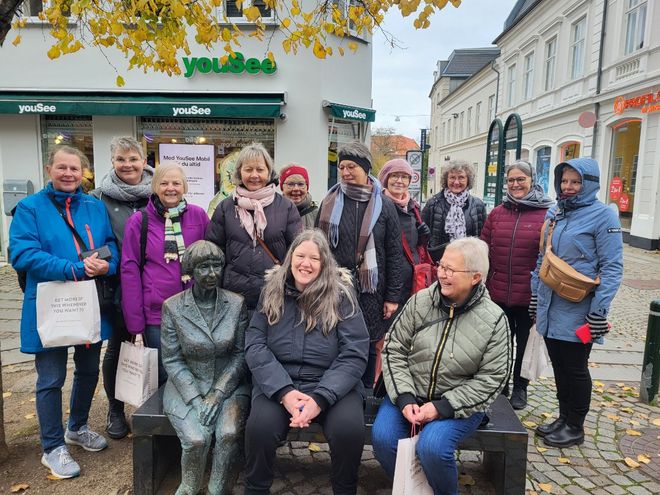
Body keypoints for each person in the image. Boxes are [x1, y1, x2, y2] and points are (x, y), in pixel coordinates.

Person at [9, 145, 119, 479]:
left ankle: (78, 426)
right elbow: (22, 253)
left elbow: (110, 245)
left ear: (84, 172)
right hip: (50, 305)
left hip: (88, 303)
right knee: (51, 378)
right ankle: (52, 446)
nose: (68, 174)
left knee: (88, 370)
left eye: (74, 168)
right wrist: (73, 269)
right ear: (49, 169)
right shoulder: (29, 208)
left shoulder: (94, 206)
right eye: (62, 167)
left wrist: (106, 264)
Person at [372, 237, 510, 495]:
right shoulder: (420, 302)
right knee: (383, 439)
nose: (442, 274)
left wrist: (442, 407)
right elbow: (394, 349)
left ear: (475, 277)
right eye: (441, 266)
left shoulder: (494, 320)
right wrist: (404, 397)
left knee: (433, 447)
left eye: (451, 270)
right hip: (410, 392)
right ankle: (415, 489)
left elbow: (492, 379)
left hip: (458, 404)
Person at [244, 229, 369, 495]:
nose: (306, 264)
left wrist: (321, 398)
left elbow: (355, 352)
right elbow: (255, 345)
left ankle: (345, 489)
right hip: (280, 382)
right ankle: (256, 489)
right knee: (260, 428)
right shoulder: (271, 292)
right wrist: (284, 393)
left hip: (333, 385)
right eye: (300, 256)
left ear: (324, 264)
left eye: (314, 258)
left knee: (349, 430)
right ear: (290, 259)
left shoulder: (342, 297)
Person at [531, 158, 623, 448]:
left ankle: (575, 425)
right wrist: (535, 296)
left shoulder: (603, 216)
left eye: (576, 182)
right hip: (550, 304)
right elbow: (542, 258)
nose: (568, 187)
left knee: (575, 368)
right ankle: (563, 417)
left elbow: (612, 267)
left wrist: (599, 311)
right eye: (564, 181)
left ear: (590, 184)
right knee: (558, 365)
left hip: (580, 307)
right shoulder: (555, 212)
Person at [161, 240, 250, 495]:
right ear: (190, 270)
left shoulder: (235, 303)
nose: (211, 274)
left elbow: (240, 354)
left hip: (228, 385)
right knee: (196, 439)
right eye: (203, 267)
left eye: (216, 266)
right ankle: (188, 486)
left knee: (228, 433)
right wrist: (196, 399)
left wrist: (218, 393)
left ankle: (218, 489)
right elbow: (172, 359)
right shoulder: (174, 307)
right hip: (186, 386)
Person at [316, 141, 403, 388]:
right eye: (341, 166)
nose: (345, 172)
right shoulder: (329, 201)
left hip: (371, 290)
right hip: (336, 285)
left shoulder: (384, 205)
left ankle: (365, 390)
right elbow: (318, 247)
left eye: (351, 166)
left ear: (365, 168)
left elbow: (395, 252)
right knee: (336, 338)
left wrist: (392, 296)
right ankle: (340, 388)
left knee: (369, 340)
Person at [121, 163, 209, 386]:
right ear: (154, 187)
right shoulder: (139, 221)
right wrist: (135, 323)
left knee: (194, 371)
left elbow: (210, 258)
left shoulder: (198, 216)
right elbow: (129, 270)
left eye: (176, 183)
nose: (171, 188)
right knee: (163, 373)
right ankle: (163, 420)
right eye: (164, 183)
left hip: (195, 311)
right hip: (157, 314)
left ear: (184, 187)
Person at [90, 136, 153, 439]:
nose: (127, 165)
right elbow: (95, 241)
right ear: (112, 162)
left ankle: (153, 406)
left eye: (133, 159)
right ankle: (115, 411)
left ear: (144, 160)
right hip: (116, 284)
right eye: (120, 159)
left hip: (155, 284)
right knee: (117, 347)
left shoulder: (159, 191)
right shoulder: (98, 197)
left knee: (156, 346)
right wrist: (108, 262)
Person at [480, 160, 553, 410]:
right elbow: (484, 248)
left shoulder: (546, 214)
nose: (515, 184)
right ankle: (500, 386)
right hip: (497, 292)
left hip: (528, 295)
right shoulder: (498, 213)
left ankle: (520, 387)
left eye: (521, 179)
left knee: (524, 344)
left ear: (532, 180)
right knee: (498, 345)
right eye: (511, 180)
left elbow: (550, 255)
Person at [205, 142, 302, 313]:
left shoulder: (286, 208)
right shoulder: (225, 208)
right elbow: (214, 252)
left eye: (260, 169)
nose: (254, 175)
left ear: (269, 172)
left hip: (274, 295)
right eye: (248, 170)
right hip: (233, 298)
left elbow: (296, 251)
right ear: (239, 172)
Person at [378, 158, 431, 301]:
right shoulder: (377, 206)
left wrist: (423, 238)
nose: (399, 181)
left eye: (404, 177)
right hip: (388, 284)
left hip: (413, 280)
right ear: (386, 179)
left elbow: (414, 247)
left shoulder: (414, 208)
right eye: (394, 175)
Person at [422, 160, 487, 262]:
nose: (456, 182)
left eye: (461, 177)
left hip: (468, 262)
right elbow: (423, 237)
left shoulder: (478, 205)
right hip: (439, 262)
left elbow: (483, 237)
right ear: (446, 179)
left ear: (468, 180)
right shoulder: (433, 203)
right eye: (452, 177)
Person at [279, 163, 319, 228]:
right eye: (290, 184)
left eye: (301, 184)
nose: (296, 189)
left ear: (307, 187)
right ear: (282, 188)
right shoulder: (273, 212)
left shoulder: (317, 214)